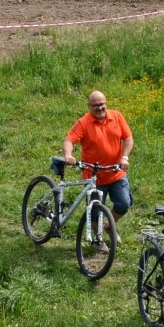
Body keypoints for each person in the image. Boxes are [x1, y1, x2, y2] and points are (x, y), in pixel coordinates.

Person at [63, 91, 134, 246]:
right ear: (89, 106)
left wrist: (125, 157)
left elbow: (128, 138)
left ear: (106, 103)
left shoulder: (117, 116)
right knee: (95, 212)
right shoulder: (83, 123)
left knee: (124, 203)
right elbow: (69, 140)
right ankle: (98, 239)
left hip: (115, 172)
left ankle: (109, 226)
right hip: (93, 176)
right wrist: (69, 155)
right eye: (95, 105)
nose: (99, 108)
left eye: (102, 104)